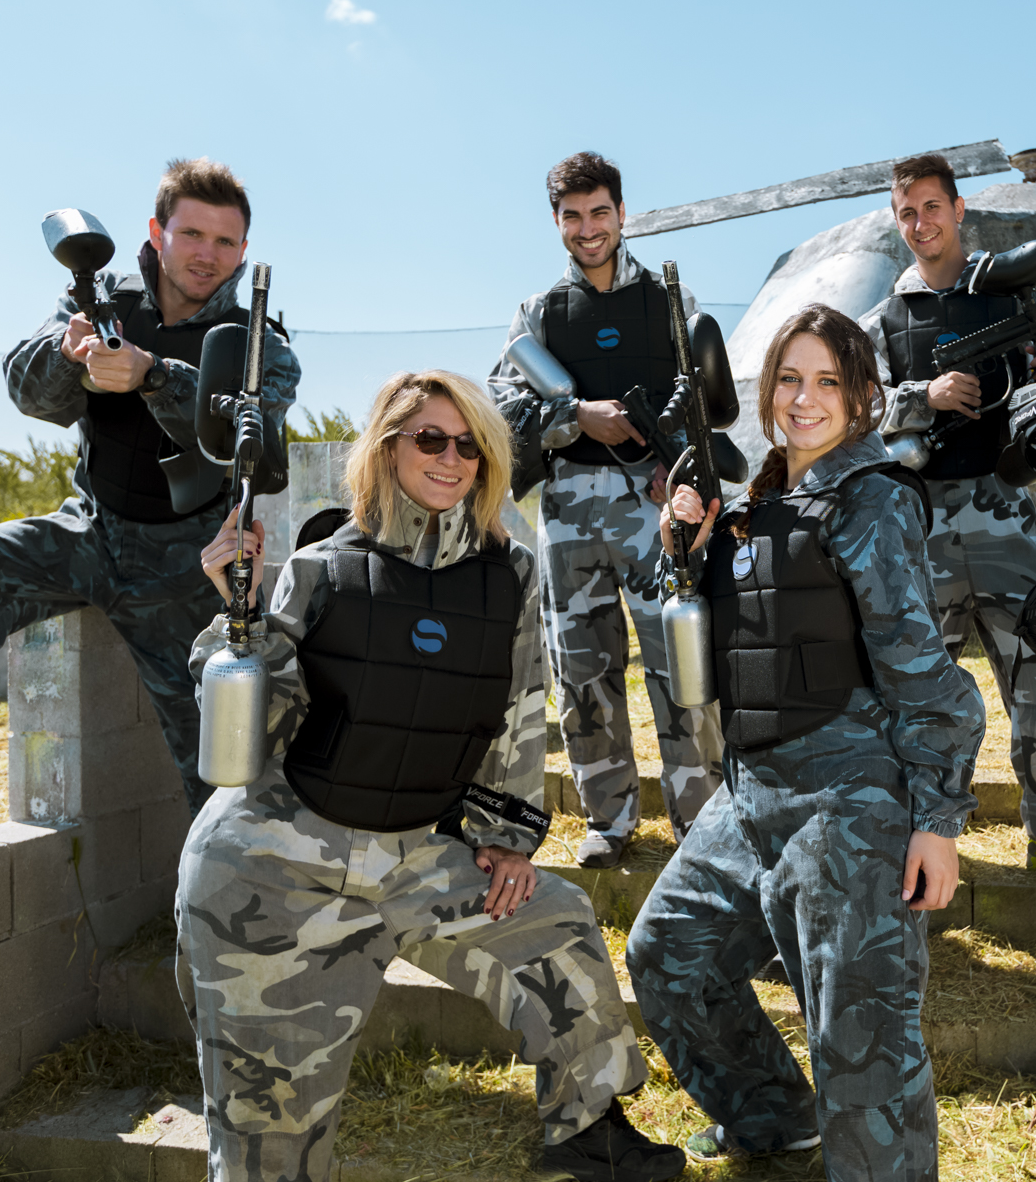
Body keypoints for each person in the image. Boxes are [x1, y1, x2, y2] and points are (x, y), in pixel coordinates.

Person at [176, 369, 682, 1182]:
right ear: (387, 448)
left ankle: (590, 1132)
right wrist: (236, 620)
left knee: (556, 923)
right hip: (278, 870)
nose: (452, 459)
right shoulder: (320, 567)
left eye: (470, 446)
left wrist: (507, 839)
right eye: (431, 439)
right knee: (268, 1141)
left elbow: (518, 710)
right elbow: (256, 736)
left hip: (413, 858)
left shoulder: (511, 573)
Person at [0, 158, 297, 881]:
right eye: (192, 234)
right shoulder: (101, 300)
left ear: (244, 251)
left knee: (223, 758)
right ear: (157, 234)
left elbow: (256, 440)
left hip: (188, 562)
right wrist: (68, 354)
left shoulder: (254, 336)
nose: (208, 254)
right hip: (89, 531)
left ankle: (235, 899)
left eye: (225, 241)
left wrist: (153, 375)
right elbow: (29, 394)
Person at [626, 305, 984, 1181]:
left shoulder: (873, 499)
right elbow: (707, 640)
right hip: (751, 792)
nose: (804, 398)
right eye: (789, 378)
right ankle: (775, 1119)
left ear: (862, 396)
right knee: (669, 956)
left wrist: (937, 818)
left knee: (860, 1038)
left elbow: (922, 671)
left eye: (828, 380)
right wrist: (681, 550)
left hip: (847, 798)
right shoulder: (756, 504)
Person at [854, 153, 1036, 893]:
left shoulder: (1014, 295)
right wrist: (924, 396)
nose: (921, 223)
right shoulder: (886, 319)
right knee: (913, 694)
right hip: (920, 529)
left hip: (1008, 519)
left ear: (958, 208)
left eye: (932, 207)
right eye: (907, 213)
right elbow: (856, 409)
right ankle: (911, 846)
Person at [486, 151, 722, 868]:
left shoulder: (669, 301)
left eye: (599, 213)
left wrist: (678, 469)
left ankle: (700, 822)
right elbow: (501, 404)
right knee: (582, 668)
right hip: (569, 511)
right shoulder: (538, 314)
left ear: (622, 213)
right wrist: (577, 417)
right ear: (556, 221)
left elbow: (700, 396)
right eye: (572, 216)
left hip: (657, 508)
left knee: (679, 659)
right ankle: (609, 820)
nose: (587, 229)